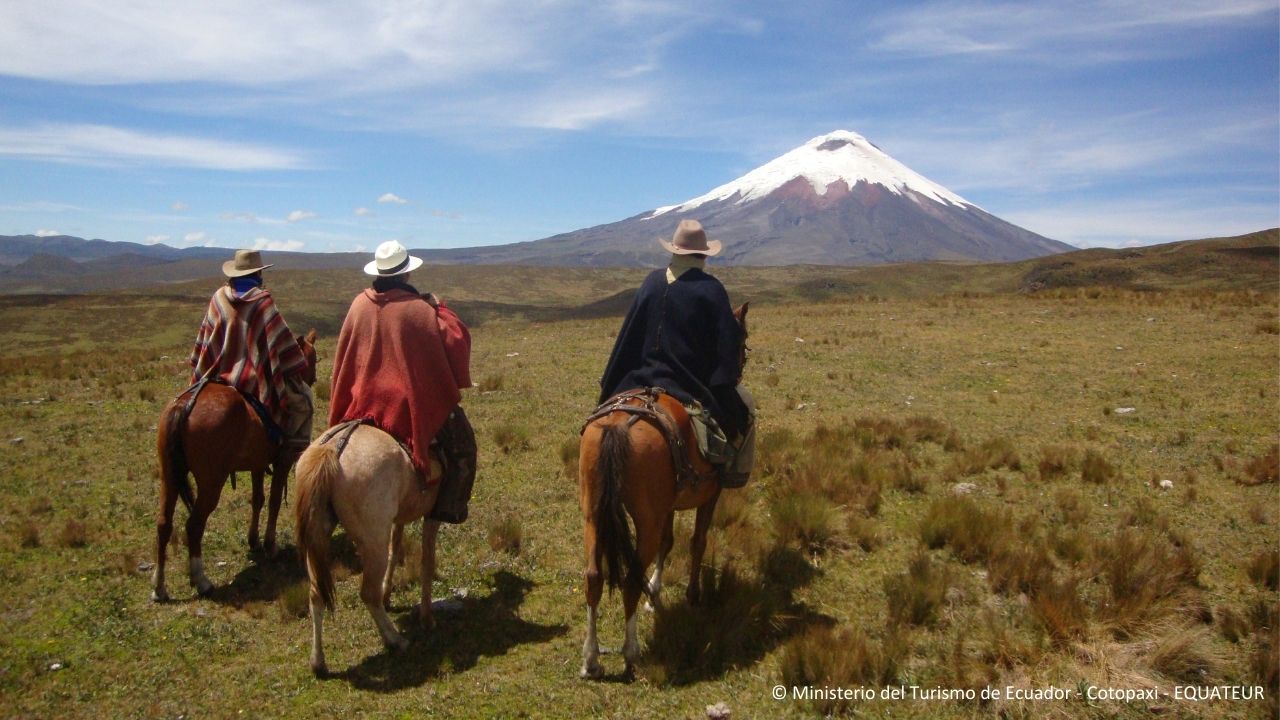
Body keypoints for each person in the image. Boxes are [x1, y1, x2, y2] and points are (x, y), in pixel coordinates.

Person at [598, 219, 755, 486]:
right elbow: (727, 345)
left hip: (637, 379)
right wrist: (722, 380)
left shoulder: (651, 282)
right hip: (686, 385)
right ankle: (733, 474)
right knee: (746, 406)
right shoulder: (711, 289)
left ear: (674, 250)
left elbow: (629, 335)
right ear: (703, 254)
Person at [328, 240, 473, 502]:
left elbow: (345, 359)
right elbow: (456, 340)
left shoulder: (358, 304)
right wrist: (440, 308)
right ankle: (449, 507)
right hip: (401, 404)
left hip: (358, 402)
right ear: (406, 273)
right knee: (463, 446)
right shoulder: (419, 309)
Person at [189, 249, 313, 453]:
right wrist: (296, 360)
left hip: (215, 375)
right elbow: (281, 343)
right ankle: (289, 450)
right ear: (258, 274)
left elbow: (206, 340)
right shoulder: (262, 301)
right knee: (303, 401)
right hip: (254, 381)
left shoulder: (218, 298)